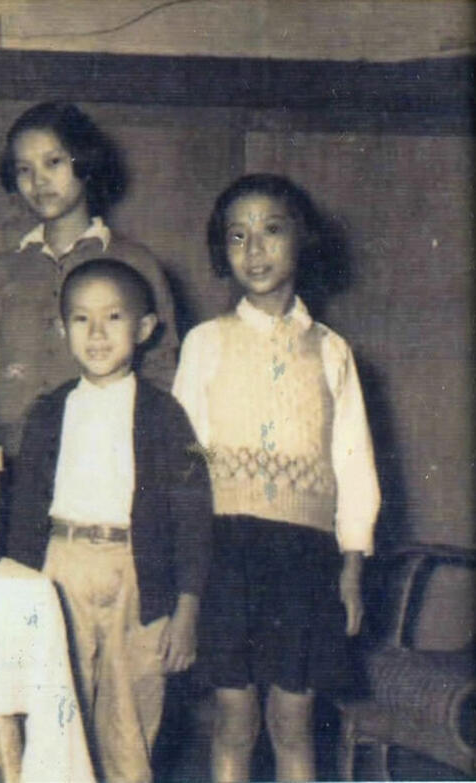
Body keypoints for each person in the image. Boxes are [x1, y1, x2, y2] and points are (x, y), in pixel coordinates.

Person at [172, 174, 380, 782]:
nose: (254, 249)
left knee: (293, 720)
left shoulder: (332, 351)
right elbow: (184, 468)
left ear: (303, 242)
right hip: (226, 551)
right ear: (222, 249)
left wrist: (351, 568)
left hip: (306, 558)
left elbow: (354, 465)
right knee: (234, 720)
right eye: (237, 235)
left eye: (271, 230)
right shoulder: (206, 343)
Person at [6, 259, 212, 783]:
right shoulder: (49, 412)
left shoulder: (165, 416)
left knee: (130, 721)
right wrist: (17, 594)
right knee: (55, 714)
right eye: (81, 319)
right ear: (61, 328)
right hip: (61, 569)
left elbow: (192, 516)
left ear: (144, 329)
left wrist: (186, 609)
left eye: (114, 317)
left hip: (139, 576)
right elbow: (25, 511)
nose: (97, 334)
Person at [0, 101, 179, 456]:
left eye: (53, 162)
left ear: (85, 163)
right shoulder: (2, 272)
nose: (38, 180)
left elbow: (162, 372)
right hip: (14, 456)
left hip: (103, 453)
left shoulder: (135, 263)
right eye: (23, 169)